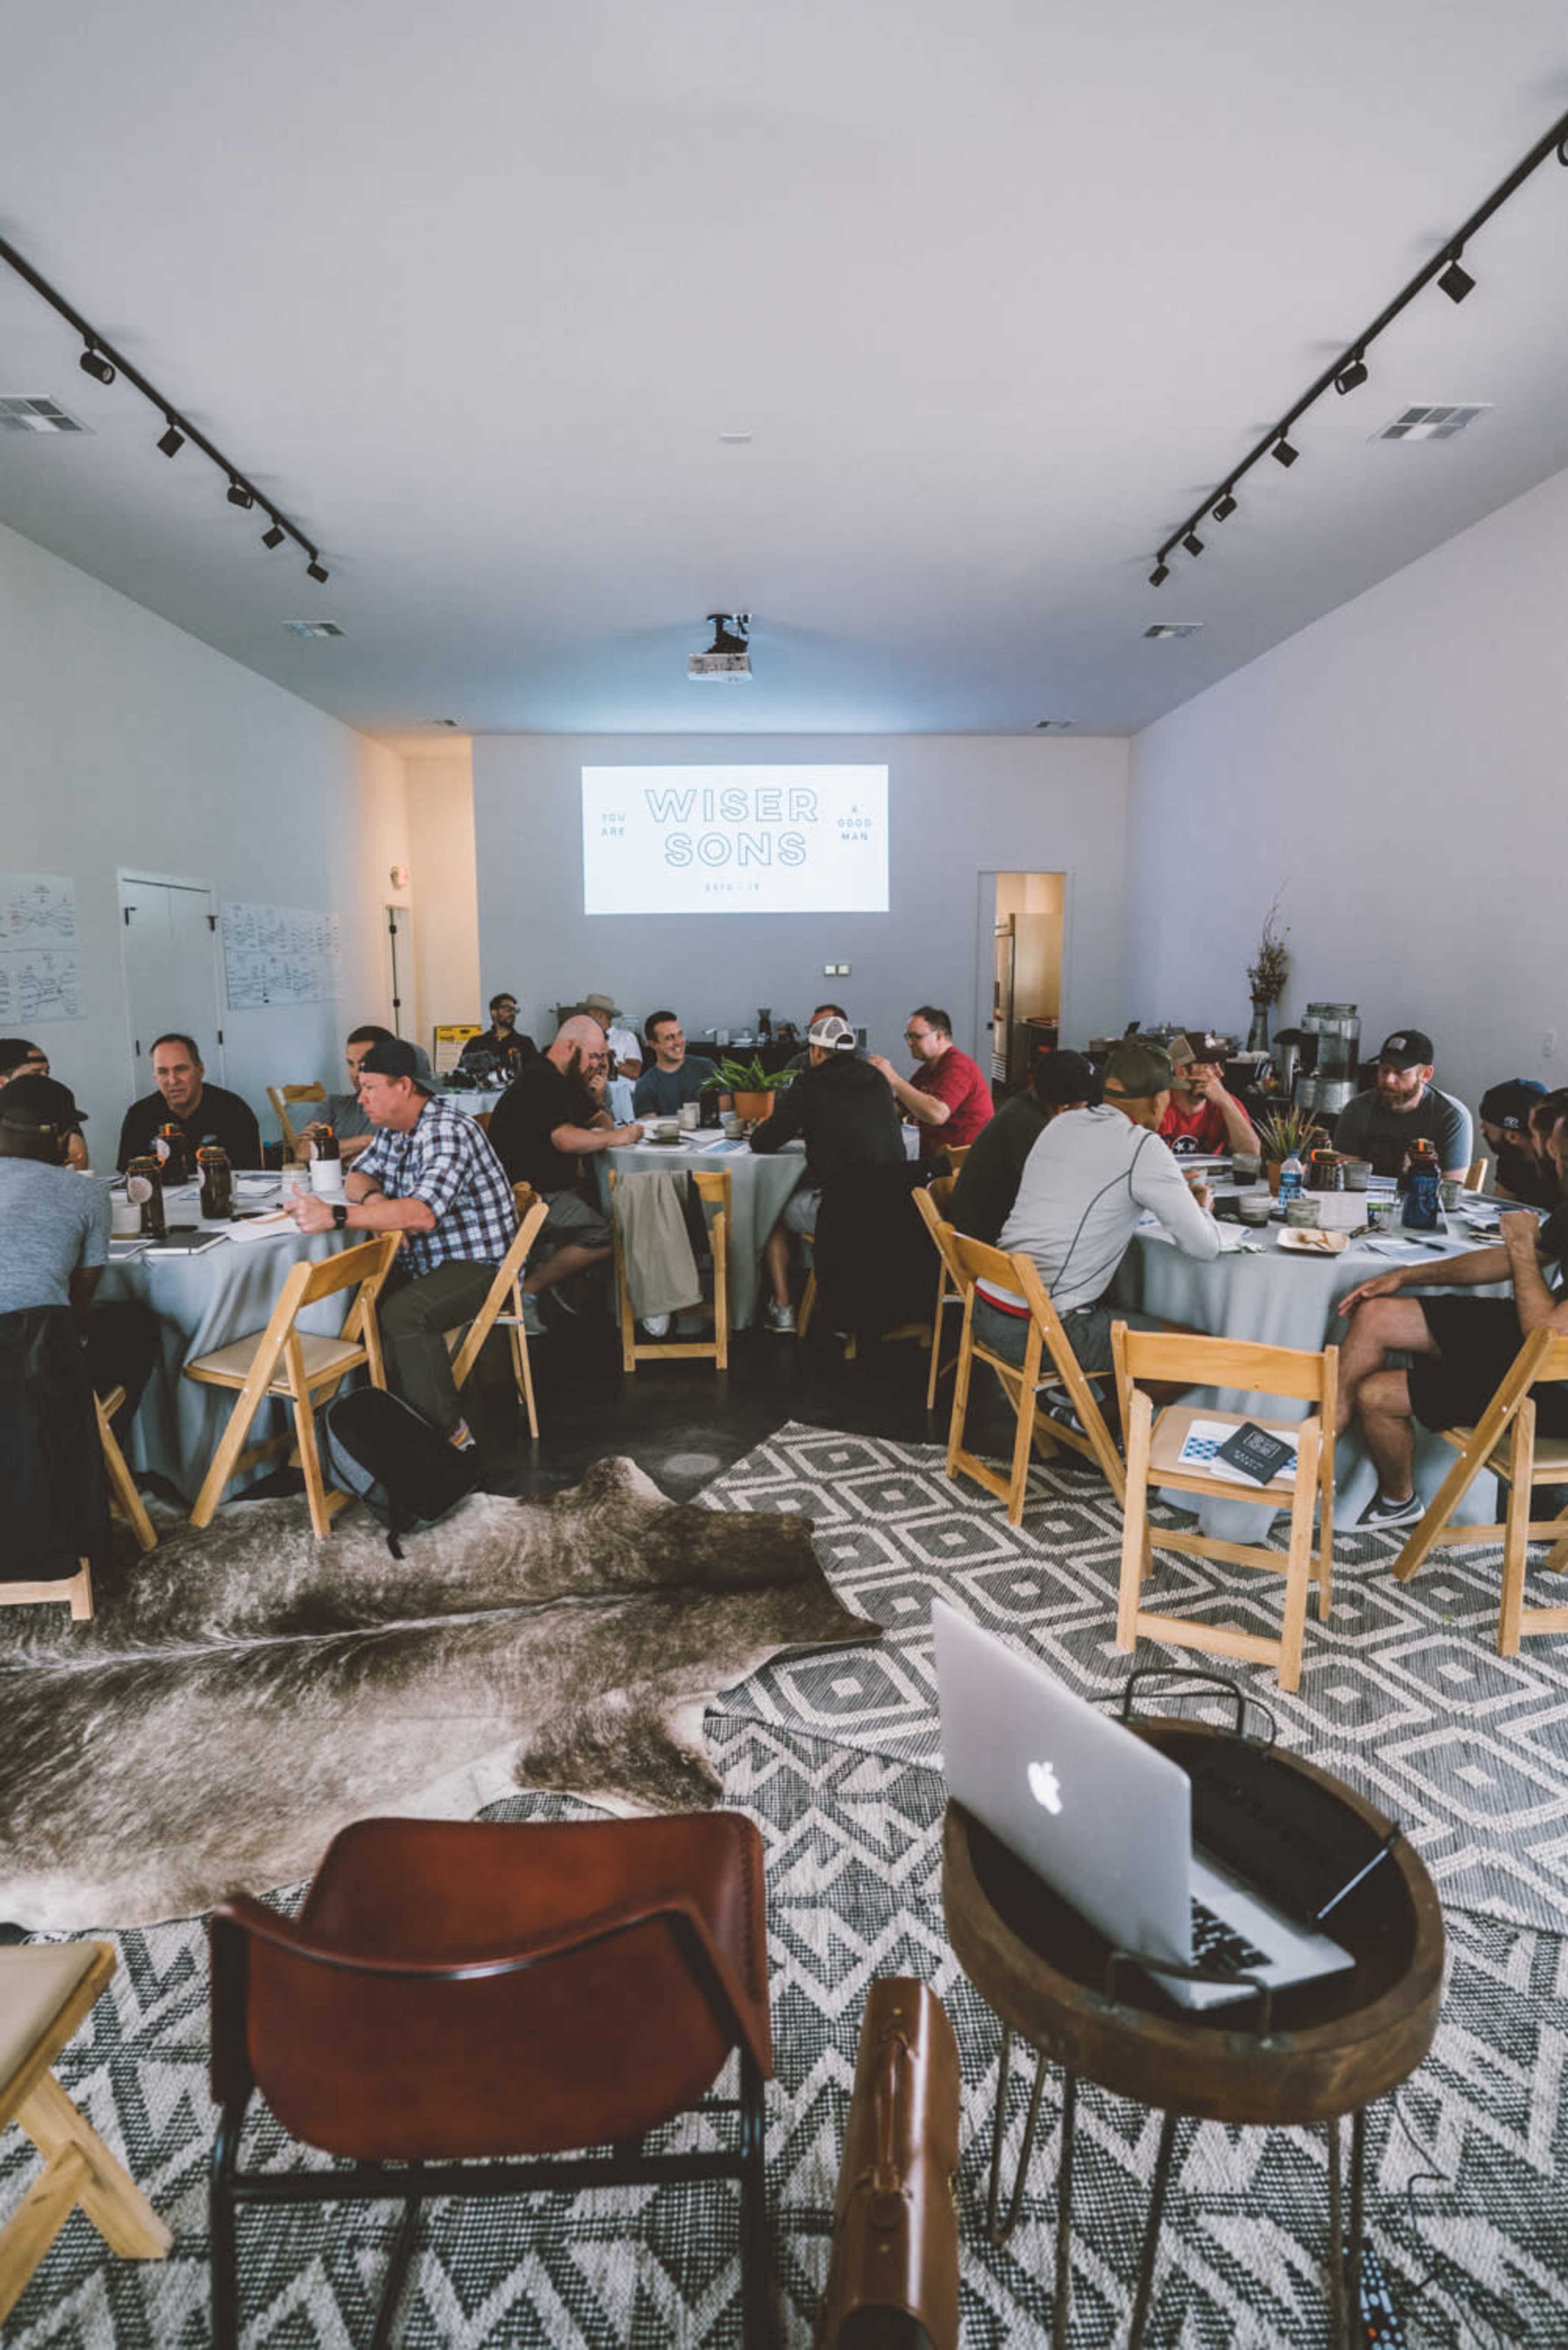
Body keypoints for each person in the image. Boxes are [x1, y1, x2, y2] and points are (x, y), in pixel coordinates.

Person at [1336, 1108, 1568, 1528]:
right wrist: (1404, 1276)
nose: (1550, 1164)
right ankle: (1324, 1443)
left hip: (1554, 1381)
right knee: (1376, 1314)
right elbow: (1514, 1260)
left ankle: (1397, 1500)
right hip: (1536, 1347)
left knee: (1377, 1395)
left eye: (1559, 1159)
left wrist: (1519, 1247)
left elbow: (1543, 1336)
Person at [289, 1038, 516, 1451]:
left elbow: (422, 1214)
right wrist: (378, 1203)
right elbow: (357, 1177)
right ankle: (379, 1431)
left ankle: (451, 1439)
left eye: (370, 1087)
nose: (361, 1100)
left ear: (405, 1087)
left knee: (403, 1316)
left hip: (478, 1263)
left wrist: (337, 1216)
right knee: (353, 1304)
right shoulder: (397, 1130)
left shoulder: (446, 1130)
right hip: (429, 1259)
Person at [970, 1039, 1219, 1375]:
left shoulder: (1061, 1123)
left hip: (987, 1308)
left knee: (1122, 1303)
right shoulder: (1143, 1146)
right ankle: (1094, 1422)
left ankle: (1073, 1406)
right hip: (1038, 1331)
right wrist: (1200, 1207)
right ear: (1159, 1099)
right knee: (1202, 1356)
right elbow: (1204, 1246)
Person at [0, 1074, 158, 1438]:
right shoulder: (85, 1193)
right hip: (37, 1369)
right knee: (135, 1325)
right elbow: (79, 1305)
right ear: (60, 1135)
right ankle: (104, 1451)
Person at [749, 1013, 908, 1332]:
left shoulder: (810, 1081)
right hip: (893, 1204)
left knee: (771, 1208)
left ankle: (783, 1308)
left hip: (841, 1208)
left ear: (817, 1052)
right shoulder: (877, 1079)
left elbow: (764, 1142)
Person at [487, 1013, 644, 1332]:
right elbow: (565, 1139)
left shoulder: (565, 1080)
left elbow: (602, 1122)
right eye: (596, 1056)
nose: (600, 1065)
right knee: (609, 1233)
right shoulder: (540, 1081)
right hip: (530, 1194)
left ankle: (561, 1281)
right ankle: (529, 1290)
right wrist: (615, 1138)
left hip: (557, 1186)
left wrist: (598, 1105)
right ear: (571, 1046)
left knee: (614, 1206)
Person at [949, 1050, 1098, 1244]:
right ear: (1063, 1109)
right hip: (993, 1250)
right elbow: (1060, 1196)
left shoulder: (1022, 1106)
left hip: (980, 1236)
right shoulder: (1031, 1129)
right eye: (1085, 1108)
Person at [1331, 1030, 1472, 1181]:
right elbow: (1346, 1180)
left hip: (1423, 1201)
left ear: (1426, 1075)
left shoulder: (1451, 1116)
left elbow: (1450, 1191)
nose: (1389, 1080)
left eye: (1400, 1072)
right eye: (1384, 1070)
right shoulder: (1358, 1109)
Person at [116, 1033, 262, 1172]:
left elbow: (248, 1177)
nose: (173, 1081)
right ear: (155, 1077)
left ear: (200, 1070)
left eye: (181, 1069)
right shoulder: (139, 1116)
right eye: (163, 1072)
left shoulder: (234, 1111)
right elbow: (130, 1178)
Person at [869, 1007, 992, 1163]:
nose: (909, 1043)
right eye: (908, 1036)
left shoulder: (959, 1067)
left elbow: (937, 1115)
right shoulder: (927, 1070)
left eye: (916, 1037)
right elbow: (898, 1108)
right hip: (935, 1158)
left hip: (960, 1165)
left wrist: (892, 1077)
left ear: (939, 1036)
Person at [294, 1024, 394, 1164]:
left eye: (363, 1065)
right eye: (351, 1064)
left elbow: (386, 1162)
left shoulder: (398, 1112)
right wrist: (367, 1141)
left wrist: (329, 1149)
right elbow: (303, 1153)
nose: (354, 1074)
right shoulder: (333, 1105)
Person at [1159, 1034, 1260, 1157]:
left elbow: (1251, 1155)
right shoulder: (1158, 1104)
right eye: (1209, 1066)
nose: (1220, 1074)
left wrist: (1226, 1103)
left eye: (1220, 1065)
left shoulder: (1226, 1102)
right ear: (1181, 1072)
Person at [0, 1038, 88, 1167]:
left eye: (47, 1072)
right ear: (2, 1083)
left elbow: (79, 1163)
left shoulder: (55, 1110)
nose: (45, 1080)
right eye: (35, 1074)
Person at [633, 1012, 726, 1119]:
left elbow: (724, 1112)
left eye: (680, 1034)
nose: (679, 1042)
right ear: (653, 1045)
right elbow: (651, 1127)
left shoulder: (707, 1068)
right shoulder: (645, 1085)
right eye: (669, 1038)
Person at [1478, 1078, 1553, 1205]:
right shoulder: (1512, 1158)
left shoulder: (1562, 1169)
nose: (1482, 1128)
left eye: (1487, 1126)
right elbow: (1498, 1211)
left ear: (1513, 1137)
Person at [459, 992, 537, 1078]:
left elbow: (535, 1074)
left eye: (514, 1010)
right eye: (508, 1010)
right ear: (494, 1012)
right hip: (483, 1091)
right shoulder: (476, 1043)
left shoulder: (525, 1043)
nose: (512, 1014)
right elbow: (462, 1073)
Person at [782, 1003, 864, 1075]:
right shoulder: (799, 1062)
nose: (814, 1033)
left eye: (822, 1027)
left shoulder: (863, 1062)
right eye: (812, 1028)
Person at [581, 993, 644, 1079]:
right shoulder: (583, 1040)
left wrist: (609, 1060)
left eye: (589, 1016)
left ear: (600, 1015)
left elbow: (635, 1072)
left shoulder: (626, 1037)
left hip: (620, 1091)